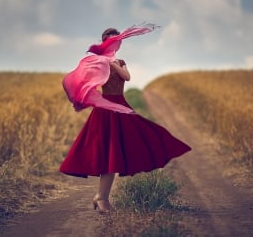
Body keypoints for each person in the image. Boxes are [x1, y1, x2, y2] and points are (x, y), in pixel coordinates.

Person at [60, 27, 191, 213]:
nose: (117, 44)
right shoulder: (97, 63)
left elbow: (126, 77)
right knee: (109, 155)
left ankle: (101, 197)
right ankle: (102, 198)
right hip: (105, 109)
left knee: (141, 138)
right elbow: (87, 84)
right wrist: (82, 101)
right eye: (112, 41)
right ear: (105, 42)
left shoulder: (120, 62)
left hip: (121, 106)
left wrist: (113, 64)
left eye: (118, 41)